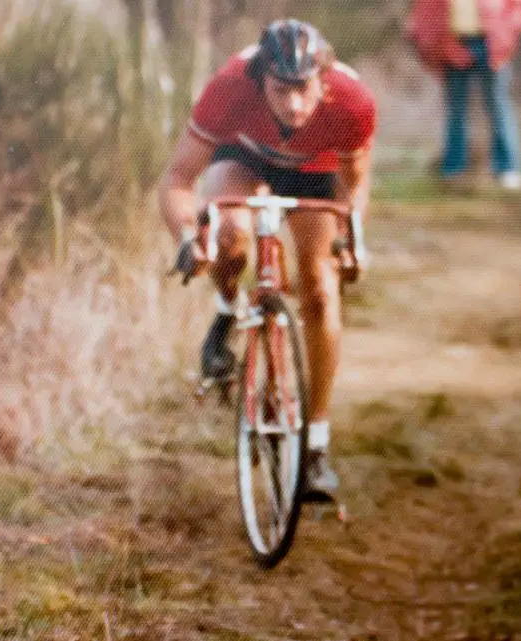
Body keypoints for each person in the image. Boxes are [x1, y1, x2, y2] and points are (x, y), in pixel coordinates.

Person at [159, 19, 377, 502]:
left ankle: (315, 445)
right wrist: (187, 237)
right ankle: (225, 310)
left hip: (316, 172)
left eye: (304, 91)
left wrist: (350, 238)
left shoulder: (353, 102)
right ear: (261, 81)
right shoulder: (229, 88)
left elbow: (353, 186)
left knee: (320, 287)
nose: (294, 105)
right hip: (245, 159)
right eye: (281, 91)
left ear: (324, 81)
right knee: (228, 233)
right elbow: (177, 179)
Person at [406, 0, 521, 190]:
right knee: (456, 110)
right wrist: (439, 43)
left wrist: (506, 35)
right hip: (454, 41)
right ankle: (453, 170)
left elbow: (518, 8)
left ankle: (508, 169)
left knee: (497, 105)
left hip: (491, 42)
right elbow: (424, 13)